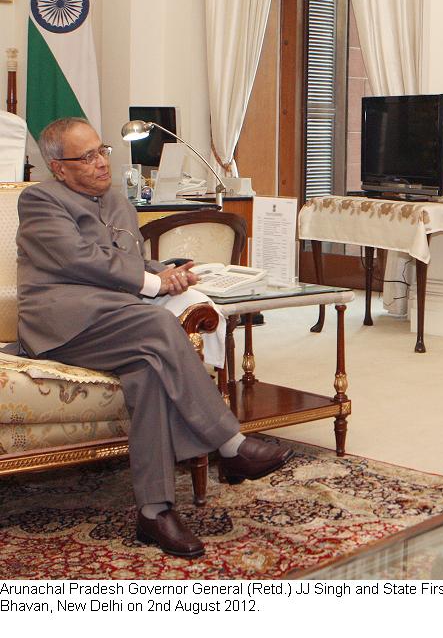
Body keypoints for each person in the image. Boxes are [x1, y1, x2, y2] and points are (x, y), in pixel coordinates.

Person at [14, 117, 293, 559]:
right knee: (160, 325)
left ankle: (154, 509)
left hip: (119, 320)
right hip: (64, 325)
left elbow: (130, 260)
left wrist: (165, 270)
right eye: (85, 157)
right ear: (57, 167)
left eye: (101, 150)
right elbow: (77, 260)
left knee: (147, 371)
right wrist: (152, 284)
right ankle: (230, 445)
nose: (101, 162)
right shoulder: (40, 200)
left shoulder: (118, 201)